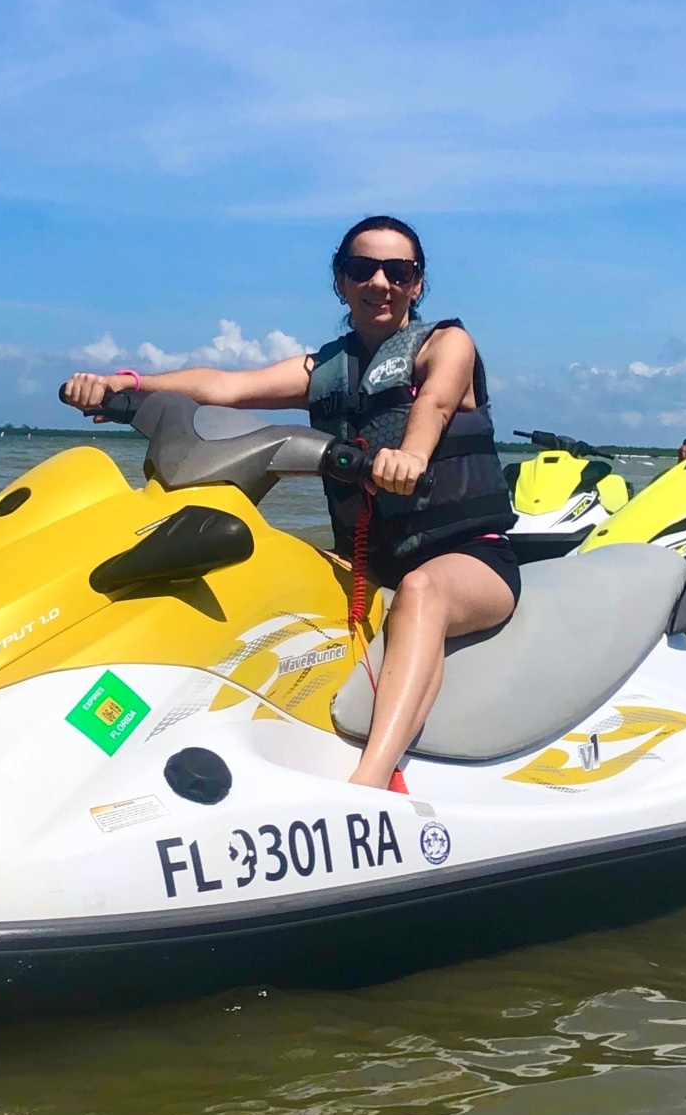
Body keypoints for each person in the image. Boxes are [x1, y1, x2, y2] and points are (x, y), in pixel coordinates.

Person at [62, 215, 518, 793]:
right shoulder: (324, 371)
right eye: (362, 269)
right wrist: (125, 384)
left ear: (416, 284)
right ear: (341, 280)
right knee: (267, 568)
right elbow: (226, 387)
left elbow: (437, 402)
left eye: (396, 272)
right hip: (372, 561)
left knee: (421, 593)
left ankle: (371, 781)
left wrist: (412, 456)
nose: (379, 282)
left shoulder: (447, 344)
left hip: (472, 558)